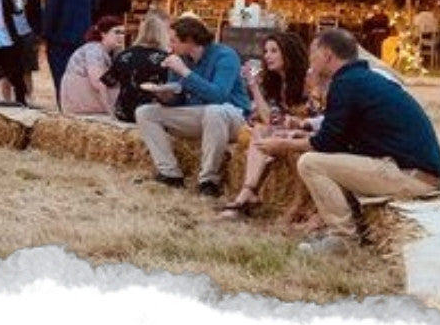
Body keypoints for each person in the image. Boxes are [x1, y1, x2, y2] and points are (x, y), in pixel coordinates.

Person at [256, 28, 440, 254]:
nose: (310, 60)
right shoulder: (362, 79)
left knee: (310, 163)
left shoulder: (346, 83)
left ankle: (342, 237)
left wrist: (283, 145)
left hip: (410, 176)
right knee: (319, 159)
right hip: (420, 172)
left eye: (313, 53)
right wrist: (305, 136)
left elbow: (326, 144)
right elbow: (339, 138)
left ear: (327, 55)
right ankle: (331, 226)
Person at [134, 17, 252, 196]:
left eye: (173, 40)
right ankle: (170, 173)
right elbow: (179, 98)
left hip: (232, 116)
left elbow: (219, 96)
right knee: (145, 112)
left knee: (214, 111)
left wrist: (184, 72)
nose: (170, 45)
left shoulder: (225, 55)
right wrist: (165, 96)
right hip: (199, 114)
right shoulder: (180, 59)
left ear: (189, 40)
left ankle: (208, 180)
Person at [219, 31, 313, 219]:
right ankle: (248, 192)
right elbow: (271, 119)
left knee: (261, 132)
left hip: (307, 134)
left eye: (273, 51)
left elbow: (314, 117)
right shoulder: (276, 82)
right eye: (265, 51)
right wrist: (253, 86)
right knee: (260, 129)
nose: (267, 56)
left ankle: (246, 195)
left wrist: (290, 125)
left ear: (288, 52)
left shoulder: (308, 80)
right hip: (284, 131)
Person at [42, 0, 95, 102]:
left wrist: (45, 34)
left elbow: (52, 8)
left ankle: (65, 108)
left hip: (60, 38)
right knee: (80, 78)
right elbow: (94, 5)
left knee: (61, 78)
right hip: (83, 36)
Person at [103, 13, 172, 122]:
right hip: (151, 115)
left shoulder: (124, 55)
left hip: (124, 113)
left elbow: (108, 82)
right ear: (163, 33)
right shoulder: (166, 59)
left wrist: (110, 108)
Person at [59, 17, 126, 116]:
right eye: (117, 32)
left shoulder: (109, 51)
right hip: (79, 97)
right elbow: (98, 83)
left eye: (123, 33)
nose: (121, 36)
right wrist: (110, 110)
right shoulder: (94, 49)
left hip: (83, 94)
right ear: (103, 34)